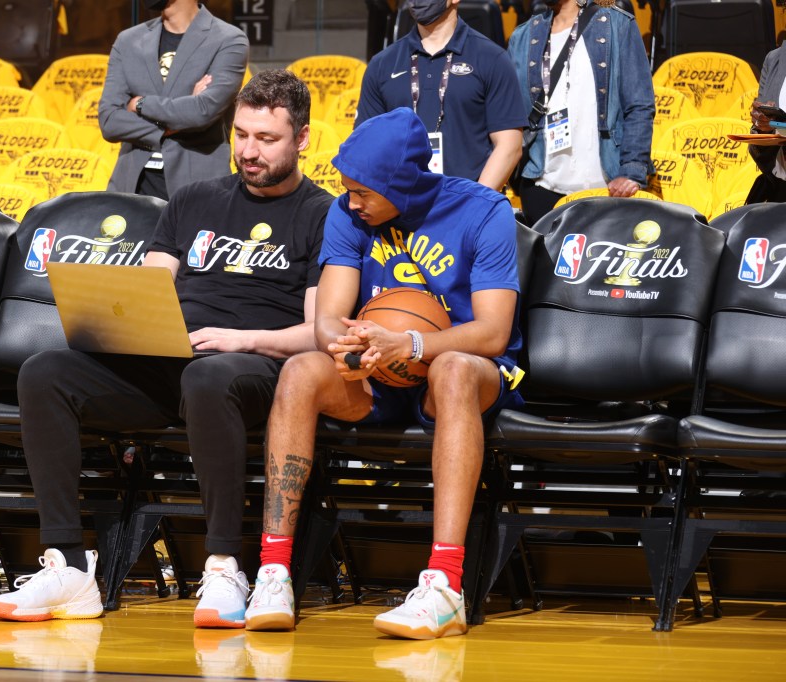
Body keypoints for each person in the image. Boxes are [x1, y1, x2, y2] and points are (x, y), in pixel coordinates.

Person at [0, 70, 334, 625]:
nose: (249, 151)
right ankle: (70, 568)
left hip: (256, 368)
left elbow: (321, 330)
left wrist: (243, 339)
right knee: (45, 371)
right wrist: (119, 321)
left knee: (209, 376)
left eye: (266, 139)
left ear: (303, 139)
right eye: (241, 135)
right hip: (173, 362)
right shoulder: (193, 199)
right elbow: (149, 287)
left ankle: (223, 566)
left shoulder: (324, 214)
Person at [243, 107, 524, 639]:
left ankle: (444, 585)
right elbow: (326, 319)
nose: (351, 201)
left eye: (363, 192)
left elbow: (492, 332)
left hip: (458, 370)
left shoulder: (484, 211)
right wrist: (351, 348)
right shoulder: (347, 214)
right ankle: (274, 571)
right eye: (347, 190)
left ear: (401, 184)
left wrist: (413, 343)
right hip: (374, 372)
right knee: (302, 370)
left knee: (456, 370)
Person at [507, 0, 654, 224]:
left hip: (606, 188)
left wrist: (631, 171)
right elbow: (511, 115)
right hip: (540, 186)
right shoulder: (523, 36)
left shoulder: (617, 25)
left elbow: (639, 105)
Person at [354, 0, 524, 191]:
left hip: (467, 203)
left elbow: (509, 146)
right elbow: (368, 144)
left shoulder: (492, 58)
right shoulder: (381, 64)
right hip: (401, 207)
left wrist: (473, 204)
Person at [98, 0, 249, 201]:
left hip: (197, 190)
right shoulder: (128, 41)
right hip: (131, 187)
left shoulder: (228, 40)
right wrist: (175, 123)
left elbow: (201, 112)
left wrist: (139, 104)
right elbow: (109, 121)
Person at [746, 44, 786, 203]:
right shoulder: (774, 58)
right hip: (780, 192)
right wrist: (763, 128)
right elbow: (758, 150)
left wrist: (779, 126)